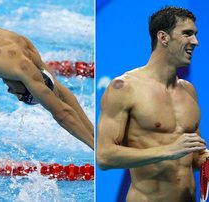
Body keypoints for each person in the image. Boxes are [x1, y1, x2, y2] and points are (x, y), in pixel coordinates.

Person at [97, 6, 209, 202]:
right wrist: (168, 151)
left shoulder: (188, 90)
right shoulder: (124, 87)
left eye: (195, 34)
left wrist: (203, 158)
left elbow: (194, 156)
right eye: (187, 34)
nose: (196, 42)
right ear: (163, 37)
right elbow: (105, 157)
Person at [0, 23, 94, 149]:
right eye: (20, 96)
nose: (10, 91)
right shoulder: (22, 67)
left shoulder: (23, 44)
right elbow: (62, 113)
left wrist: (94, 134)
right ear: (27, 86)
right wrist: (95, 147)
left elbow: (58, 89)